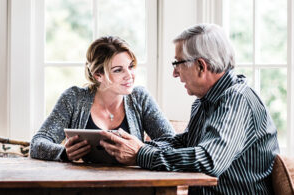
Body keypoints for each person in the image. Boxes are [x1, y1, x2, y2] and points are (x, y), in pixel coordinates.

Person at [100, 24, 280, 194]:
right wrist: (130, 147)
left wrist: (140, 154)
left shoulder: (237, 99)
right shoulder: (204, 101)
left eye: (178, 63)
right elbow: (185, 142)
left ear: (201, 66)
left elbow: (209, 160)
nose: (175, 73)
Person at [30, 36, 175, 162]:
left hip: (132, 184)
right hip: (81, 184)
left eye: (131, 66)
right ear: (97, 74)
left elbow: (172, 143)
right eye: (118, 70)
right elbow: (37, 143)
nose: (129, 75)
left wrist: (140, 149)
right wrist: (63, 153)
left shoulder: (140, 98)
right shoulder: (73, 98)